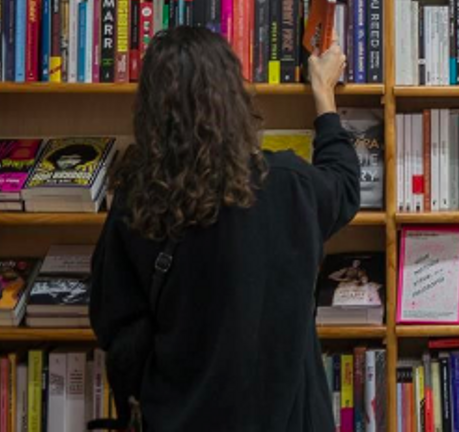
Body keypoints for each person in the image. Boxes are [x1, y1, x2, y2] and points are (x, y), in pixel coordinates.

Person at [89, 25, 359, 432]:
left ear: (150, 110)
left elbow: (114, 325)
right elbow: (344, 183)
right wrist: (323, 93)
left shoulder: (137, 201)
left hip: (178, 418)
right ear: (233, 98)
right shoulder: (287, 183)